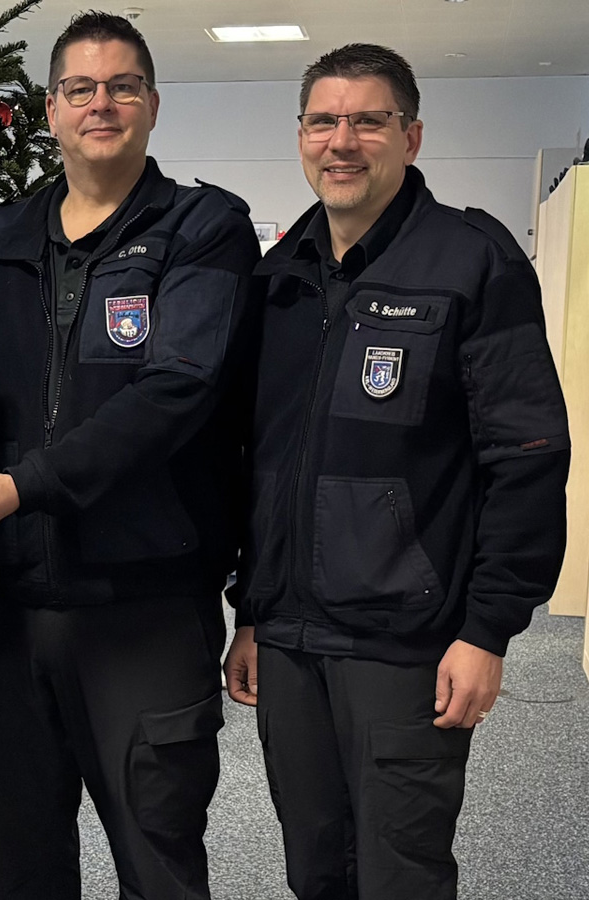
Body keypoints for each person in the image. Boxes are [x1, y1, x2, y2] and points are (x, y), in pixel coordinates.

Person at [223, 43, 570, 899]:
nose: (343, 140)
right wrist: (252, 612)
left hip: (407, 640)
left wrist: (489, 629)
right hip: (292, 640)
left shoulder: (471, 263)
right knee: (314, 867)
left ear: (410, 137)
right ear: (301, 136)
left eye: (368, 120)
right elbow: (259, 463)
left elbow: (527, 457)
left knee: (400, 872)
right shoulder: (277, 281)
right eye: (324, 121)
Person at [0, 11, 260, 899]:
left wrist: (24, 486)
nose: (100, 104)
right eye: (80, 88)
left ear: (152, 105)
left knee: (158, 861)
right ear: (50, 108)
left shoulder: (205, 229)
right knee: (19, 863)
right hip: (7, 610)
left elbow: (175, 394)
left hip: (143, 607)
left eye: (121, 87)